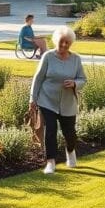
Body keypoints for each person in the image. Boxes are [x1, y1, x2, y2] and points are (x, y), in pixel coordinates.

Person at [29, 26, 86, 174]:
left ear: (71, 43)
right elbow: (38, 78)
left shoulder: (76, 59)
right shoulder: (48, 56)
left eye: (67, 43)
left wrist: (75, 83)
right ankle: (50, 162)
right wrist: (33, 98)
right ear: (56, 41)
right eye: (61, 42)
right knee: (50, 130)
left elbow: (83, 79)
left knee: (70, 133)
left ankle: (71, 151)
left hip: (68, 102)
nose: (64, 45)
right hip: (47, 100)